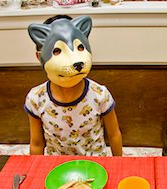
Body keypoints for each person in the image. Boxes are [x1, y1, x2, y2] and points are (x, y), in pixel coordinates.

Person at [25, 15, 122, 156]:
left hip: (95, 164)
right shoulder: (36, 99)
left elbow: (114, 135)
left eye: (80, 47)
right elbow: (36, 143)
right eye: (57, 51)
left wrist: (119, 165)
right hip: (57, 168)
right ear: (39, 56)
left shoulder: (99, 94)